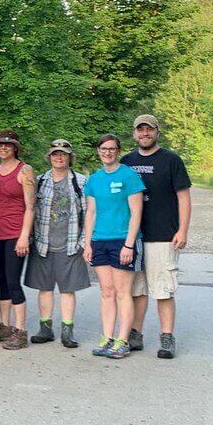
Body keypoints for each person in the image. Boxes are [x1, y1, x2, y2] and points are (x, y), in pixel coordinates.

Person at [121, 114, 191, 359]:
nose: (144, 134)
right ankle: (135, 335)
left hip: (163, 236)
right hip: (135, 237)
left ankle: (167, 338)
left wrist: (182, 230)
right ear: (134, 134)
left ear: (156, 132)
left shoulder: (171, 160)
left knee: (163, 290)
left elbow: (183, 197)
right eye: (140, 130)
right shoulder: (126, 161)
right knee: (137, 290)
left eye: (149, 130)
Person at [83, 133, 145, 359]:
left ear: (118, 151)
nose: (107, 152)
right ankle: (107, 337)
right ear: (98, 151)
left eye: (111, 148)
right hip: (100, 240)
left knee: (122, 292)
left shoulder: (128, 176)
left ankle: (122, 340)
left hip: (122, 240)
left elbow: (137, 212)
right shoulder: (95, 179)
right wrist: (87, 243)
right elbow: (91, 212)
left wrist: (129, 245)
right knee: (106, 291)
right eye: (103, 148)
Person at [25, 139, 90, 348]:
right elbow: (30, 209)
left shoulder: (80, 182)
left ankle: (67, 330)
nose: (59, 157)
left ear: (70, 157)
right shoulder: (40, 180)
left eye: (63, 154)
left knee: (67, 290)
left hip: (70, 243)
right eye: (55, 154)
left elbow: (89, 213)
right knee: (44, 288)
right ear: (49, 157)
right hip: (43, 243)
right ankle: (45, 328)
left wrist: (84, 242)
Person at [0, 129, 36, 350]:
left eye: (8, 145)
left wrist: (24, 236)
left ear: (15, 147)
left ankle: (20, 330)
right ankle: (5, 326)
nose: (3, 148)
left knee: (14, 281)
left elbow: (31, 206)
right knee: (1, 281)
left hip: (16, 233)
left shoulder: (25, 171)